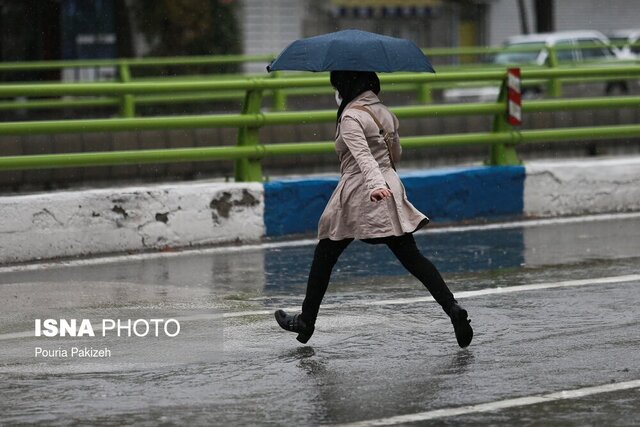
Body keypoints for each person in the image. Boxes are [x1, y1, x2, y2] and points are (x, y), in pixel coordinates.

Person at [275, 70, 473, 348]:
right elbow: (396, 156)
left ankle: (306, 321)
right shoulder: (384, 114)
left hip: (362, 191)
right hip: (389, 186)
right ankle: (452, 308)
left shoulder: (351, 117)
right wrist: (383, 178)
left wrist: (374, 185)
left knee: (325, 254)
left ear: (345, 86)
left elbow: (364, 158)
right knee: (412, 257)